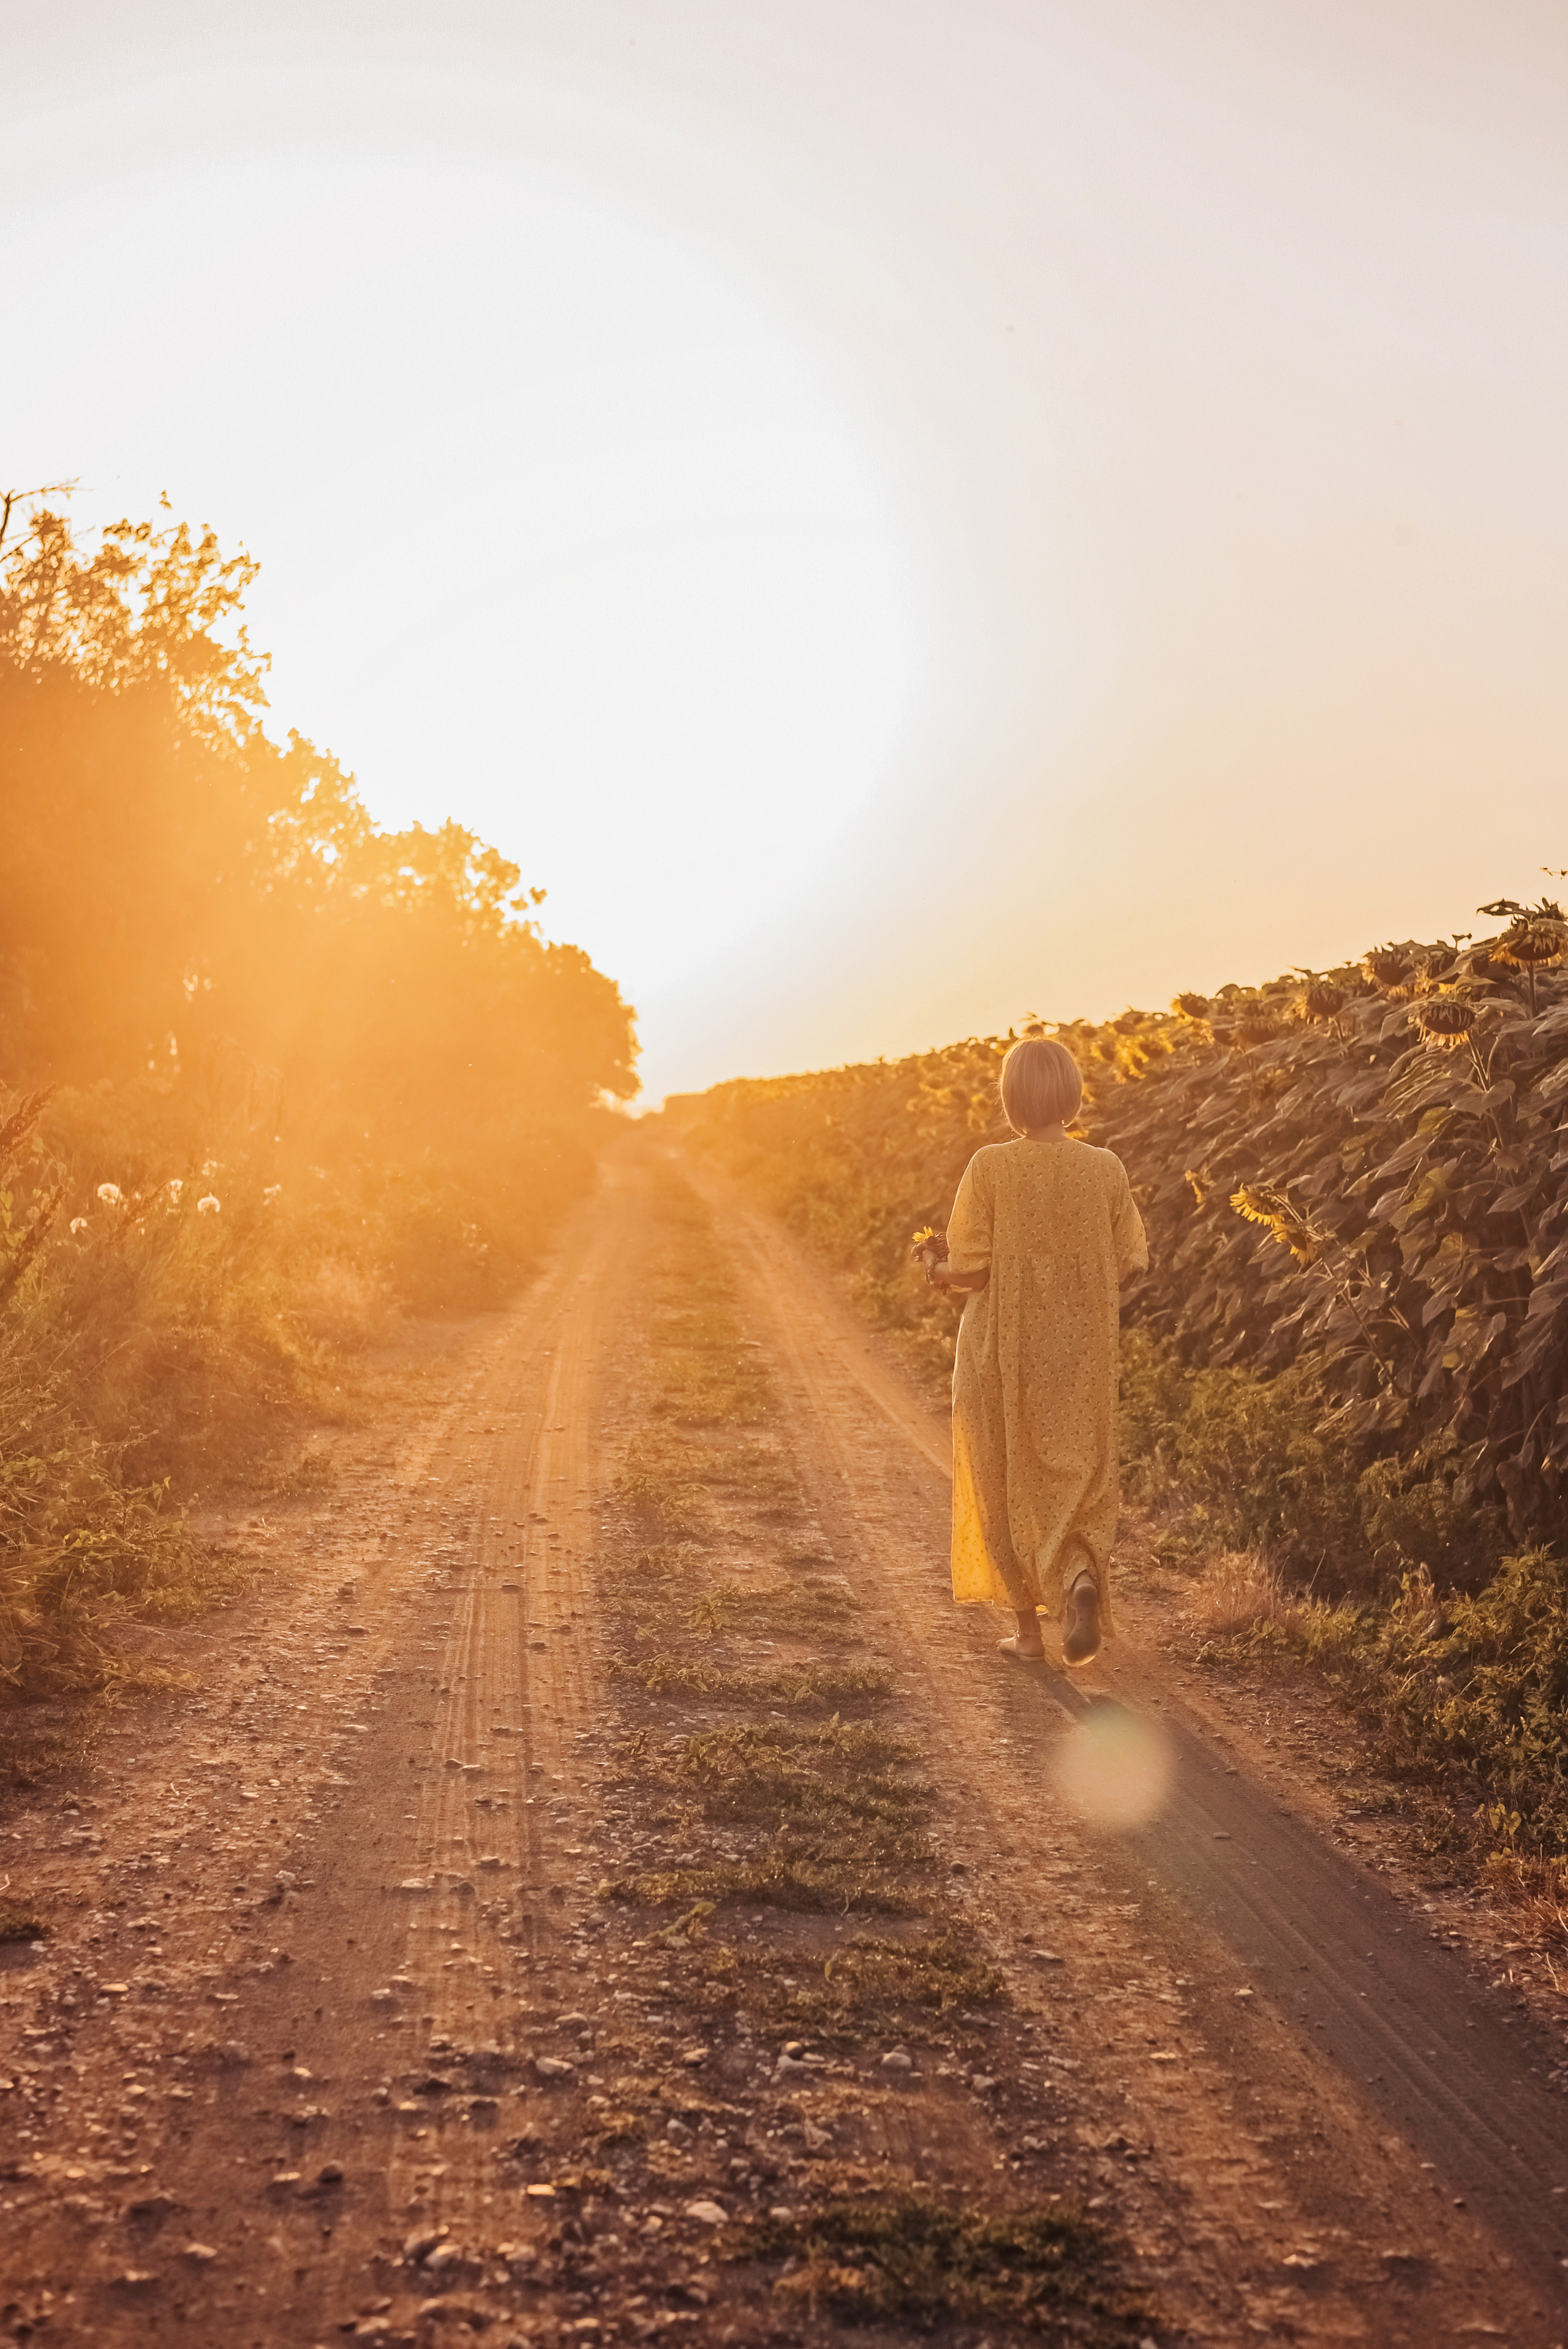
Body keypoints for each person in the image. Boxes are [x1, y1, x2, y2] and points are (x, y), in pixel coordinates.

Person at [924, 1036, 1148, 1666]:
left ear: (1011, 1098)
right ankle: (1078, 1580)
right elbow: (1131, 1261)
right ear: (1071, 1094)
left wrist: (935, 1269)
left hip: (1000, 1349)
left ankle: (1027, 1632)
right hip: (1080, 1354)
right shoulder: (1105, 1168)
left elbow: (972, 1269)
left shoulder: (990, 1166)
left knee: (1001, 1477)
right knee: (1075, 1478)